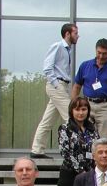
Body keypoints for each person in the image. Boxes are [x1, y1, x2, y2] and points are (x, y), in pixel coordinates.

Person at [31, 23, 79, 159]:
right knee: (72, 116)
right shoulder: (57, 46)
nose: (78, 36)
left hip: (62, 85)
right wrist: (56, 84)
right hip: (57, 85)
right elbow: (47, 67)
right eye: (75, 33)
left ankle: (37, 150)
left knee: (48, 120)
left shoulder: (67, 50)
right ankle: (75, 150)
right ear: (67, 34)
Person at [72, 38, 107, 141]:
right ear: (95, 50)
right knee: (84, 138)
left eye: (104, 53)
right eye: (99, 53)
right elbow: (76, 86)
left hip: (106, 106)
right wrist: (74, 106)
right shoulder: (85, 66)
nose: (101, 56)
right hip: (87, 105)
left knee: (105, 140)